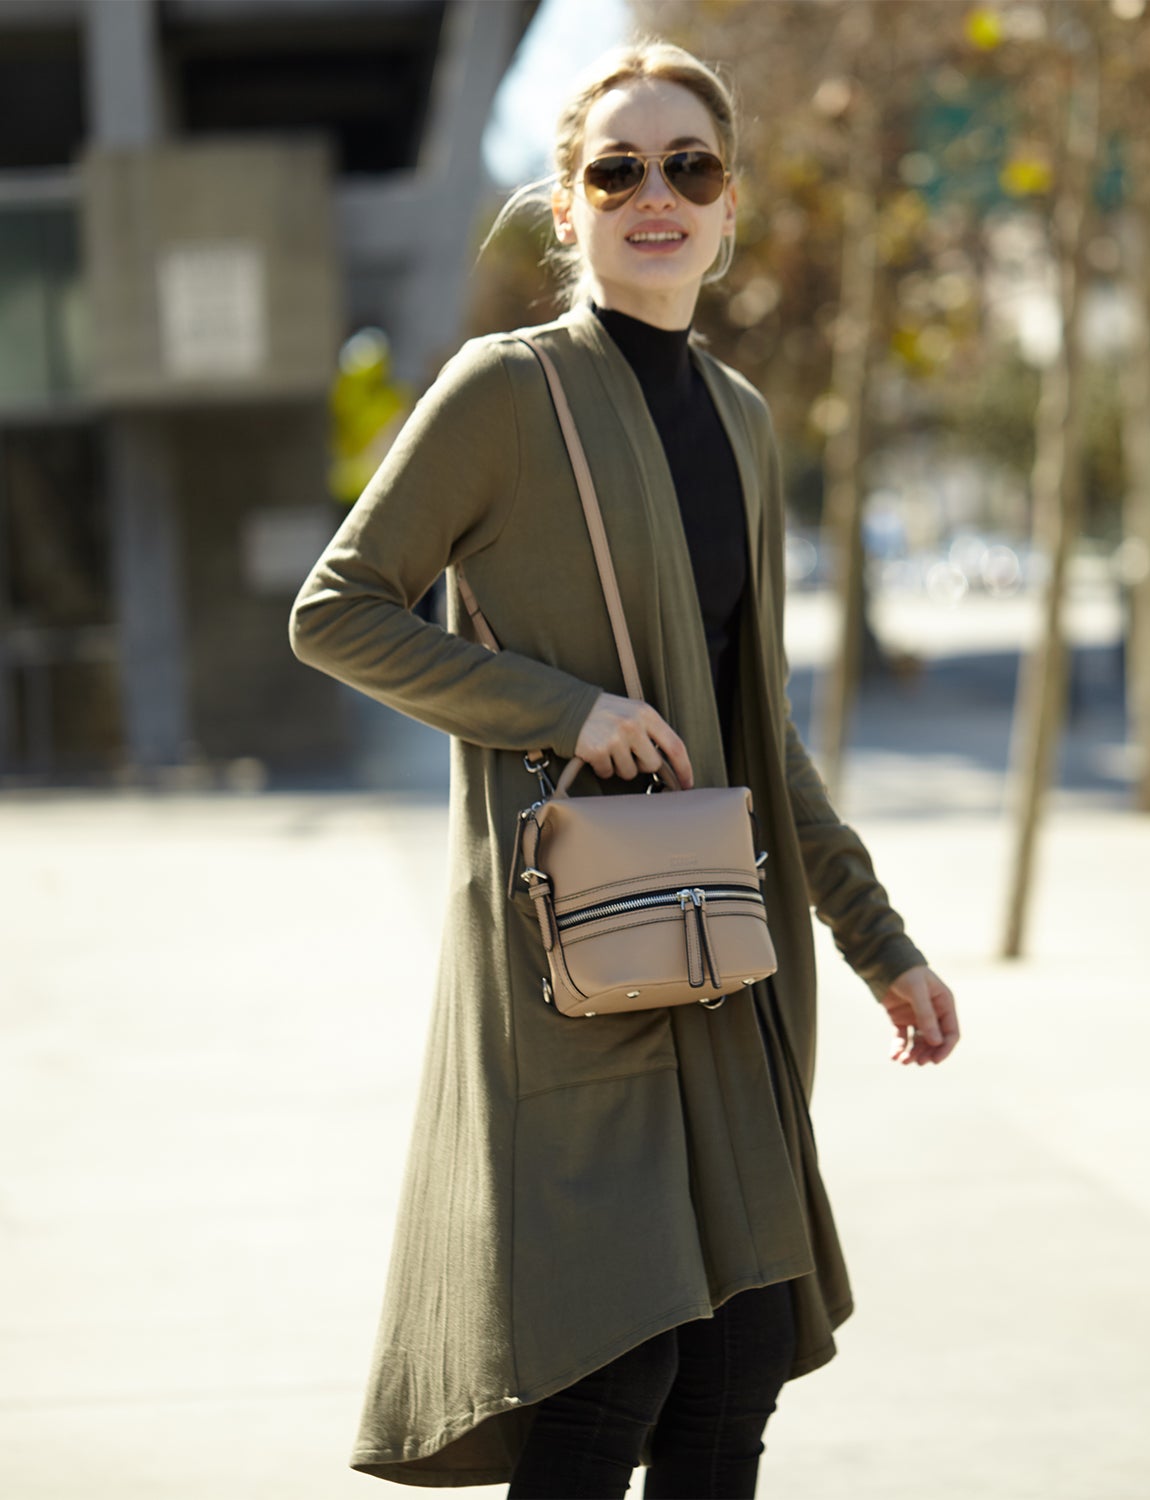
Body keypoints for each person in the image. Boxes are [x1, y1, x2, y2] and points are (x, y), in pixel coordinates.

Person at [289, 37, 959, 1498]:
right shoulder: (502, 390)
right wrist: (564, 711)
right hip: (571, 955)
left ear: (727, 207)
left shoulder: (743, 423)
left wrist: (880, 945)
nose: (655, 194)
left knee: (732, 1377)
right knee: (611, 1370)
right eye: (618, 169)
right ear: (566, 204)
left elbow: (756, 726)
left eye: (690, 168)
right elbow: (336, 612)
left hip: (724, 951)